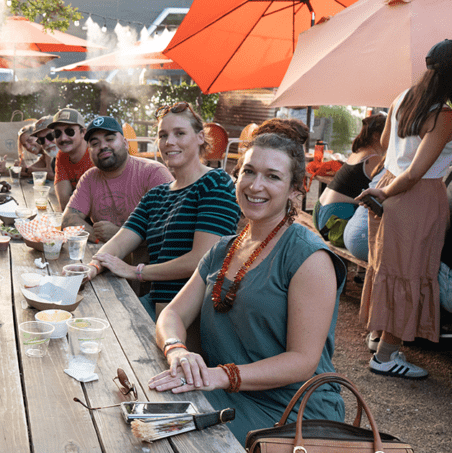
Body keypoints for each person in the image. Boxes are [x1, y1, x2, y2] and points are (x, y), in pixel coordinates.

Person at [148, 130, 347, 442]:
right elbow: (172, 314)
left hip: (292, 410)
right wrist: (176, 350)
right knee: (146, 411)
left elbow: (302, 361)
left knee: (169, 434)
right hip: (226, 392)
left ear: (295, 189)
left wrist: (221, 375)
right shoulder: (223, 250)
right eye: (249, 172)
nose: (255, 186)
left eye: (272, 176)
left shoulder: (309, 256)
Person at [86, 102, 240, 319]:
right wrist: (92, 267)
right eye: (163, 135)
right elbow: (119, 243)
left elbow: (203, 259)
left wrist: (137, 271)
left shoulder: (215, 183)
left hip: (194, 319)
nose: (169, 142)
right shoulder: (156, 195)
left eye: (180, 133)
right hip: (156, 307)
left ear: (200, 137)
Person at [355, 39, 452, 379]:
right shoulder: (443, 115)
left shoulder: (402, 98)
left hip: (388, 185)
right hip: (415, 195)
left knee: (386, 268)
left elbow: (385, 144)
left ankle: (378, 335)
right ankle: (385, 357)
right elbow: (415, 173)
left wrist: (384, 191)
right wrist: (388, 192)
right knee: (409, 272)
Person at [62, 115, 174, 244]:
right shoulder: (89, 178)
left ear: (125, 143)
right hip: (105, 254)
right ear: (90, 151)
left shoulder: (154, 173)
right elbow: (68, 219)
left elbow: (172, 228)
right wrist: (98, 237)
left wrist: (118, 235)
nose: (103, 146)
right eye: (95, 143)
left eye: (110, 139)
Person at [313, 114, 387, 232]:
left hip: (320, 211)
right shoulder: (373, 158)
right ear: (376, 136)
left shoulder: (359, 151)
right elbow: (386, 189)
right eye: (389, 132)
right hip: (335, 218)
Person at [50, 108, 94, 210]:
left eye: (69, 131)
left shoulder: (95, 154)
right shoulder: (62, 155)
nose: (63, 138)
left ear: (83, 132)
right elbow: (64, 203)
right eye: (57, 133)